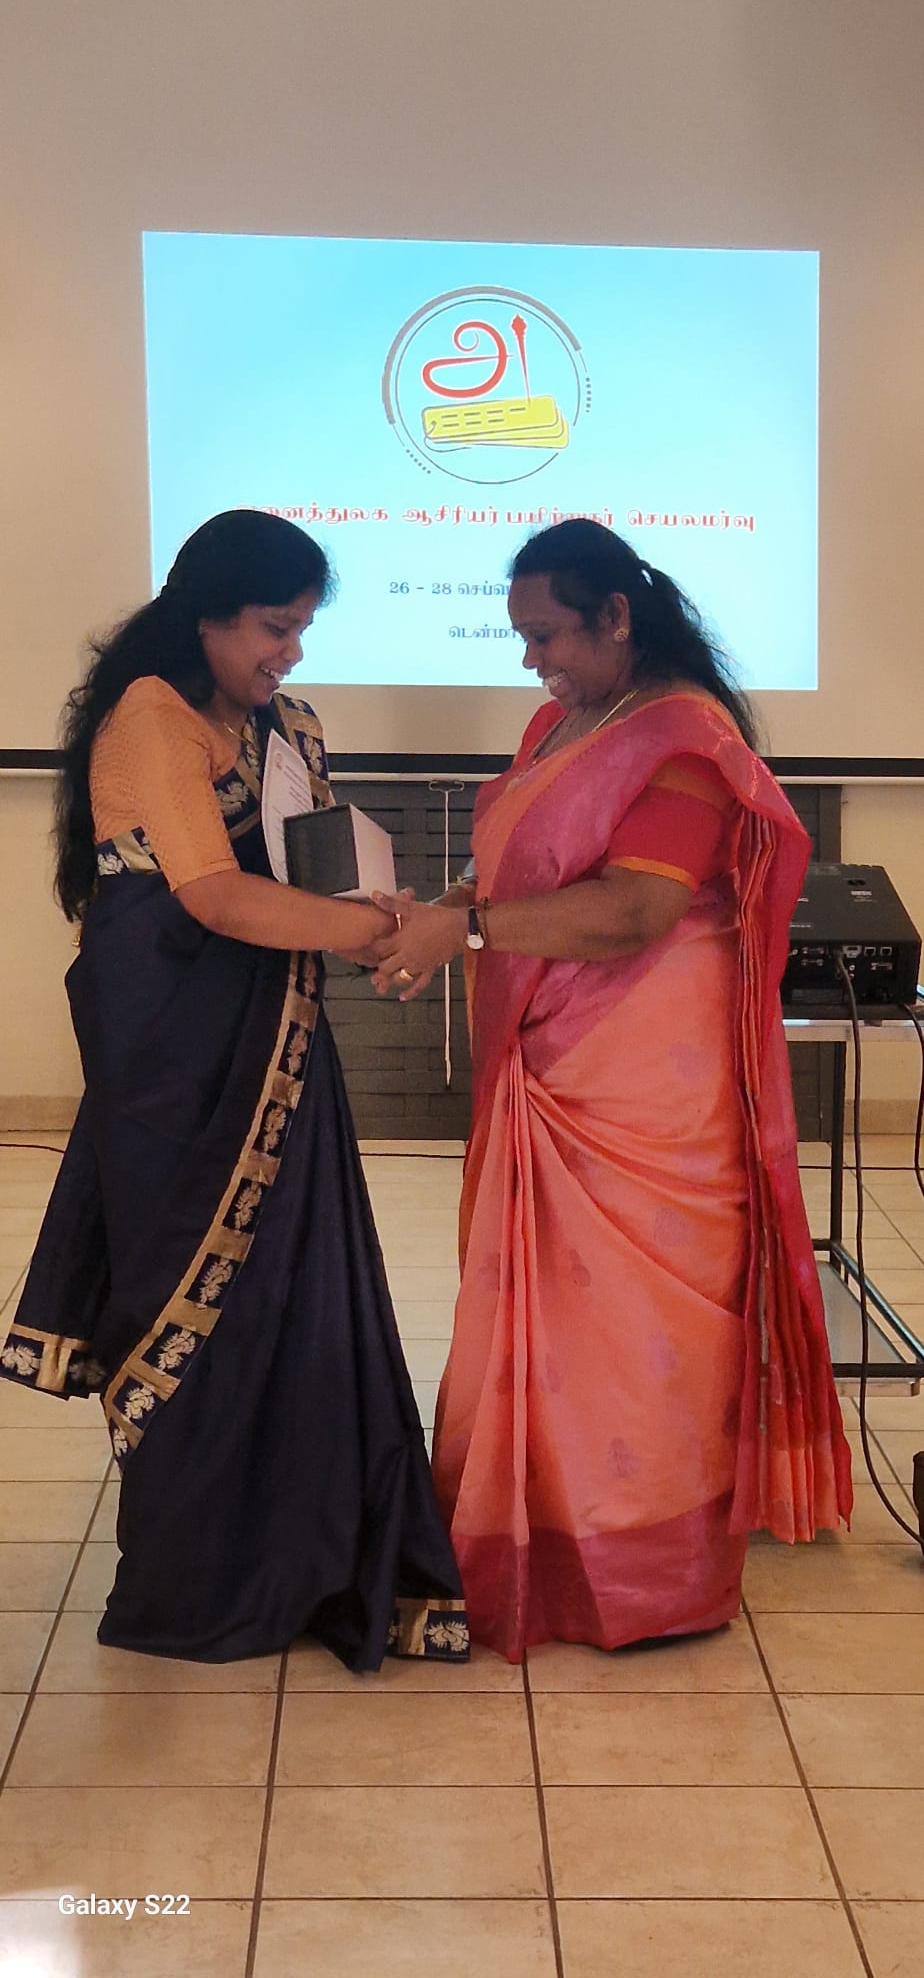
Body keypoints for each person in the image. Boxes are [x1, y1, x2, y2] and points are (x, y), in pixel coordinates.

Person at [373, 518, 852, 1662]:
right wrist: (444, 906)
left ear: (617, 616)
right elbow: (514, 866)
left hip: (645, 1080)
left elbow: (639, 907)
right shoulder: (562, 723)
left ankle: (647, 1568)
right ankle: (531, 1531)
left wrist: (468, 929)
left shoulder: (685, 737)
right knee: (554, 1317)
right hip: (552, 1056)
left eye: (546, 635)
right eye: (523, 636)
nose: (531, 660)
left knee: (636, 1328)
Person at [0, 509, 468, 1670]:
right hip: (174, 1057)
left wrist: (383, 914)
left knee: (299, 1284)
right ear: (205, 614)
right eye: (272, 627)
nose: (289, 653)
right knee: (191, 1293)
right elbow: (210, 895)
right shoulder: (152, 715)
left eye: (301, 629)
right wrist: (374, 935)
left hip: (278, 1042)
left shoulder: (286, 725)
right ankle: (204, 1578)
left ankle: (309, 1553)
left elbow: (315, 868)